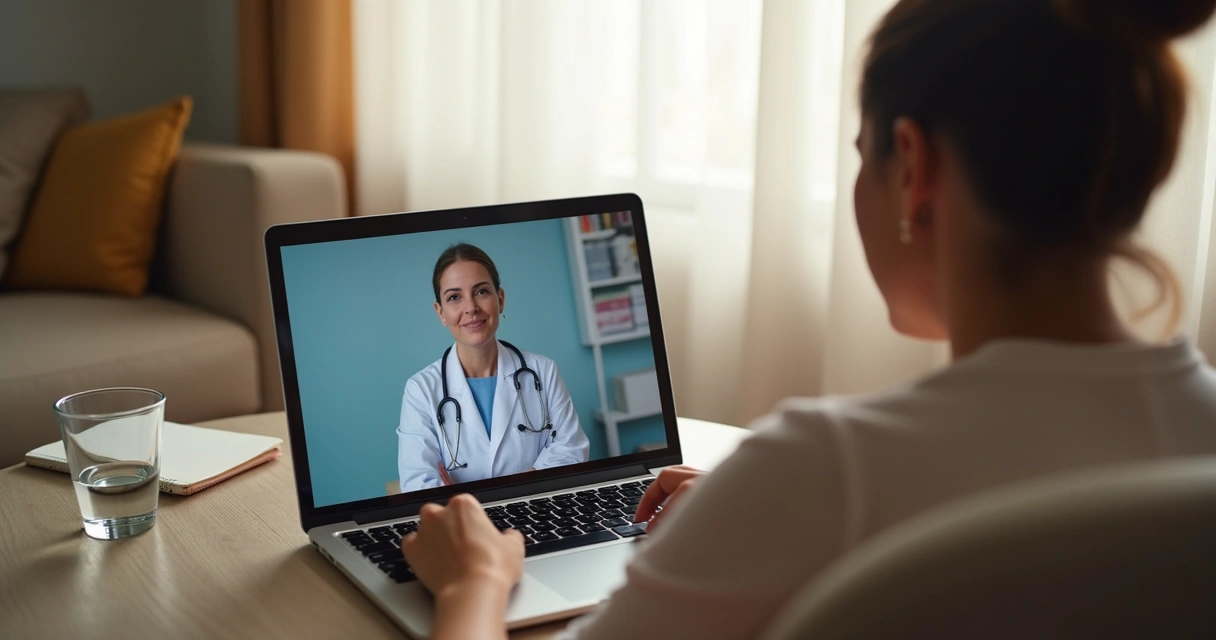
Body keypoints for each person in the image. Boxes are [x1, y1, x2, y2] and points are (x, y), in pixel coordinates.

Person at [399, 0, 1216, 637]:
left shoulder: (823, 466)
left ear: (914, 169)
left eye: (863, 155)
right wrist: (754, 512)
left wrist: (476, 584)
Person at [397, 243, 589, 492]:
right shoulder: (421, 390)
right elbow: (419, 484)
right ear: (440, 312)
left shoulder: (544, 371)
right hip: (461, 525)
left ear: (500, 300)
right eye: (454, 297)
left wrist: (473, 494)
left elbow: (572, 450)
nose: (471, 308)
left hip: (539, 511)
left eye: (481, 292)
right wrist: (534, 475)